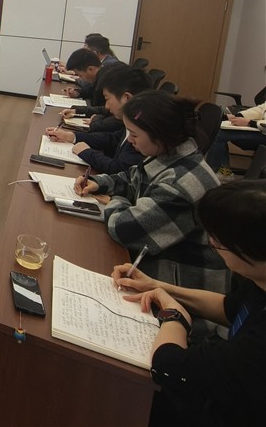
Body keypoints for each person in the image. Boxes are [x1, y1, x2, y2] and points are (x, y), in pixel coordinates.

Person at [112, 180, 265, 426]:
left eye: (219, 242)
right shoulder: (259, 281)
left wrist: (175, 317)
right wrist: (156, 286)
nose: (212, 244)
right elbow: (227, 308)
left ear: (253, 249)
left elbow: (168, 366)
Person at [74, 90, 228, 298]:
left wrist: (115, 200)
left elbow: (124, 229)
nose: (130, 140)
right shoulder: (169, 153)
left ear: (160, 133)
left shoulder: (180, 183)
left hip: (182, 286)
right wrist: (98, 183)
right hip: (158, 263)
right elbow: (131, 178)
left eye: (134, 134)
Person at [46, 66, 150, 173]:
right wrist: (71, 136)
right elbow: (112, 139)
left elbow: (118, 169)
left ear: (126, 98)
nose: (107, 106)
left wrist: (87, 152)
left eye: (107, 99)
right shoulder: (134, 121)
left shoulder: (142, 131)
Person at [205, 101, 266, 173]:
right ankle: (222, 171)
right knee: (218, 131)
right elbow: (261, 109)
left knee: (220, 135)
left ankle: (214, 172)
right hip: (262, 130)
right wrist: (238, 116)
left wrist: (250, 123)